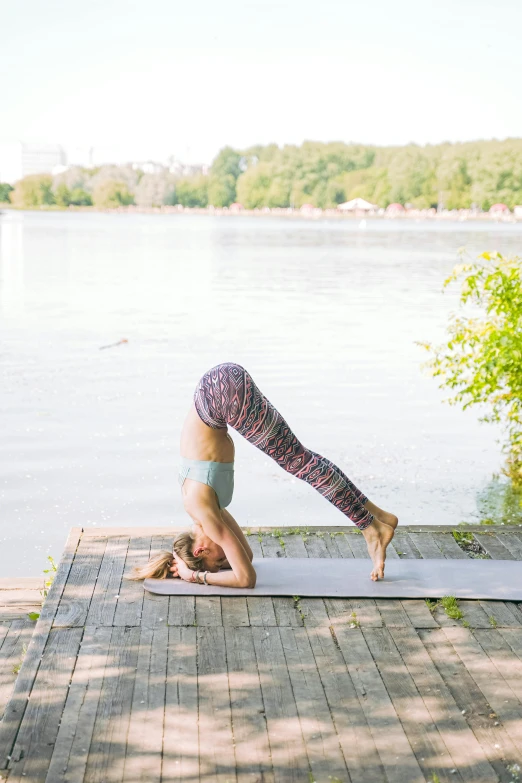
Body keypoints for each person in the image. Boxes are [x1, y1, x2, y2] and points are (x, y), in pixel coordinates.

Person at [130, 362, 397, 585]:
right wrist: (205, 566)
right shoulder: (204, 512)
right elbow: (246, 556)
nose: (225, 561)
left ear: (201, 549)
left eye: (218, 561)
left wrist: (196, 576)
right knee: (301, 458)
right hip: (221, 387)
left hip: (223, 393)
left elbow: (246, 578)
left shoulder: (206, 515)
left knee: (299, 461)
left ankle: (370, 529)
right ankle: (379, 518)